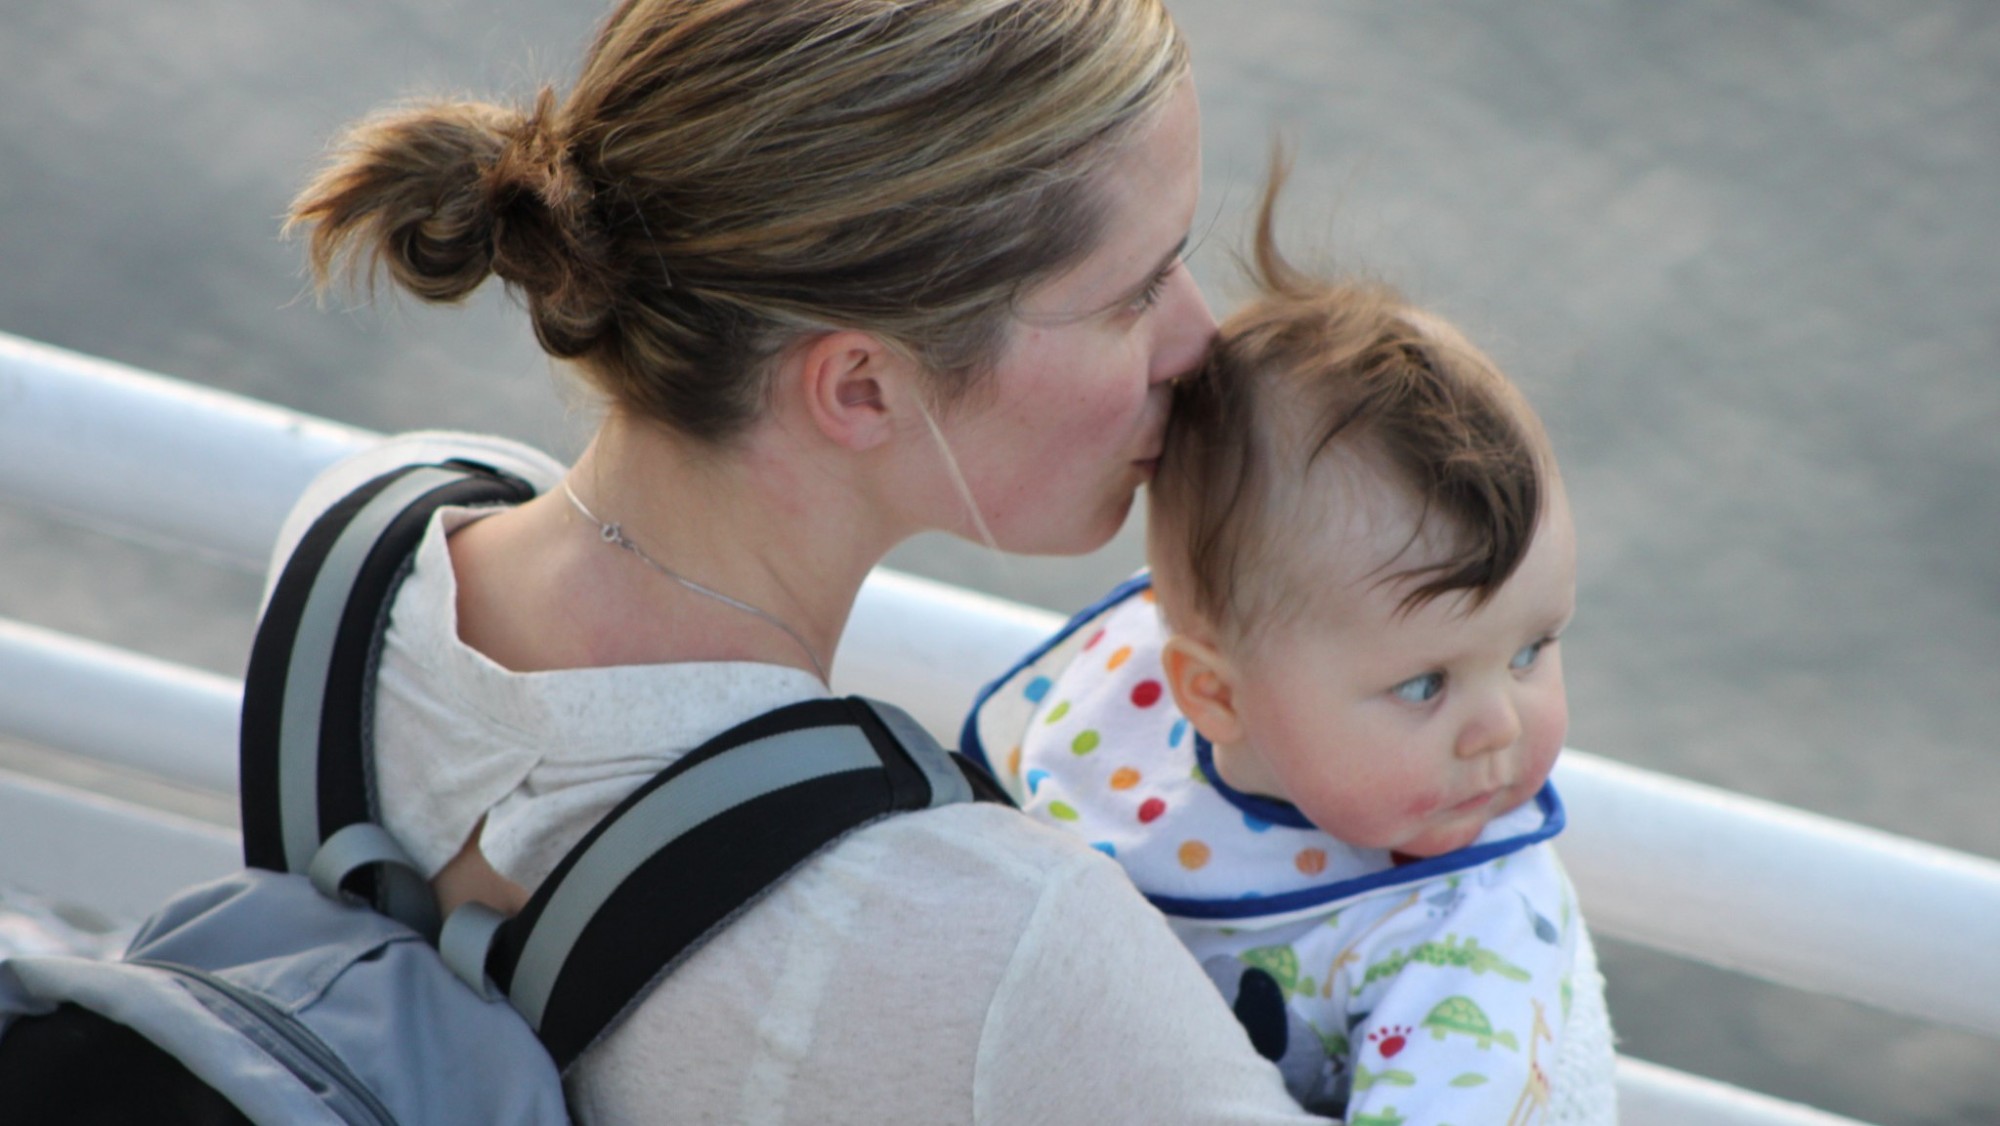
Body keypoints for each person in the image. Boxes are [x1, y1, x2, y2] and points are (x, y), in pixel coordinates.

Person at [273, 0, 1334, 1121]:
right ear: (860, 387)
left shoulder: (358, 541)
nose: (1201, 338)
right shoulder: (1010, 941)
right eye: (1133, 293)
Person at [965, 174, 1619, 1122]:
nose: (1496, 728)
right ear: (1211, 695)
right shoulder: (1134, 706)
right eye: (1425, 683)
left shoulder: (1465, 941)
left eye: (1531, 651)